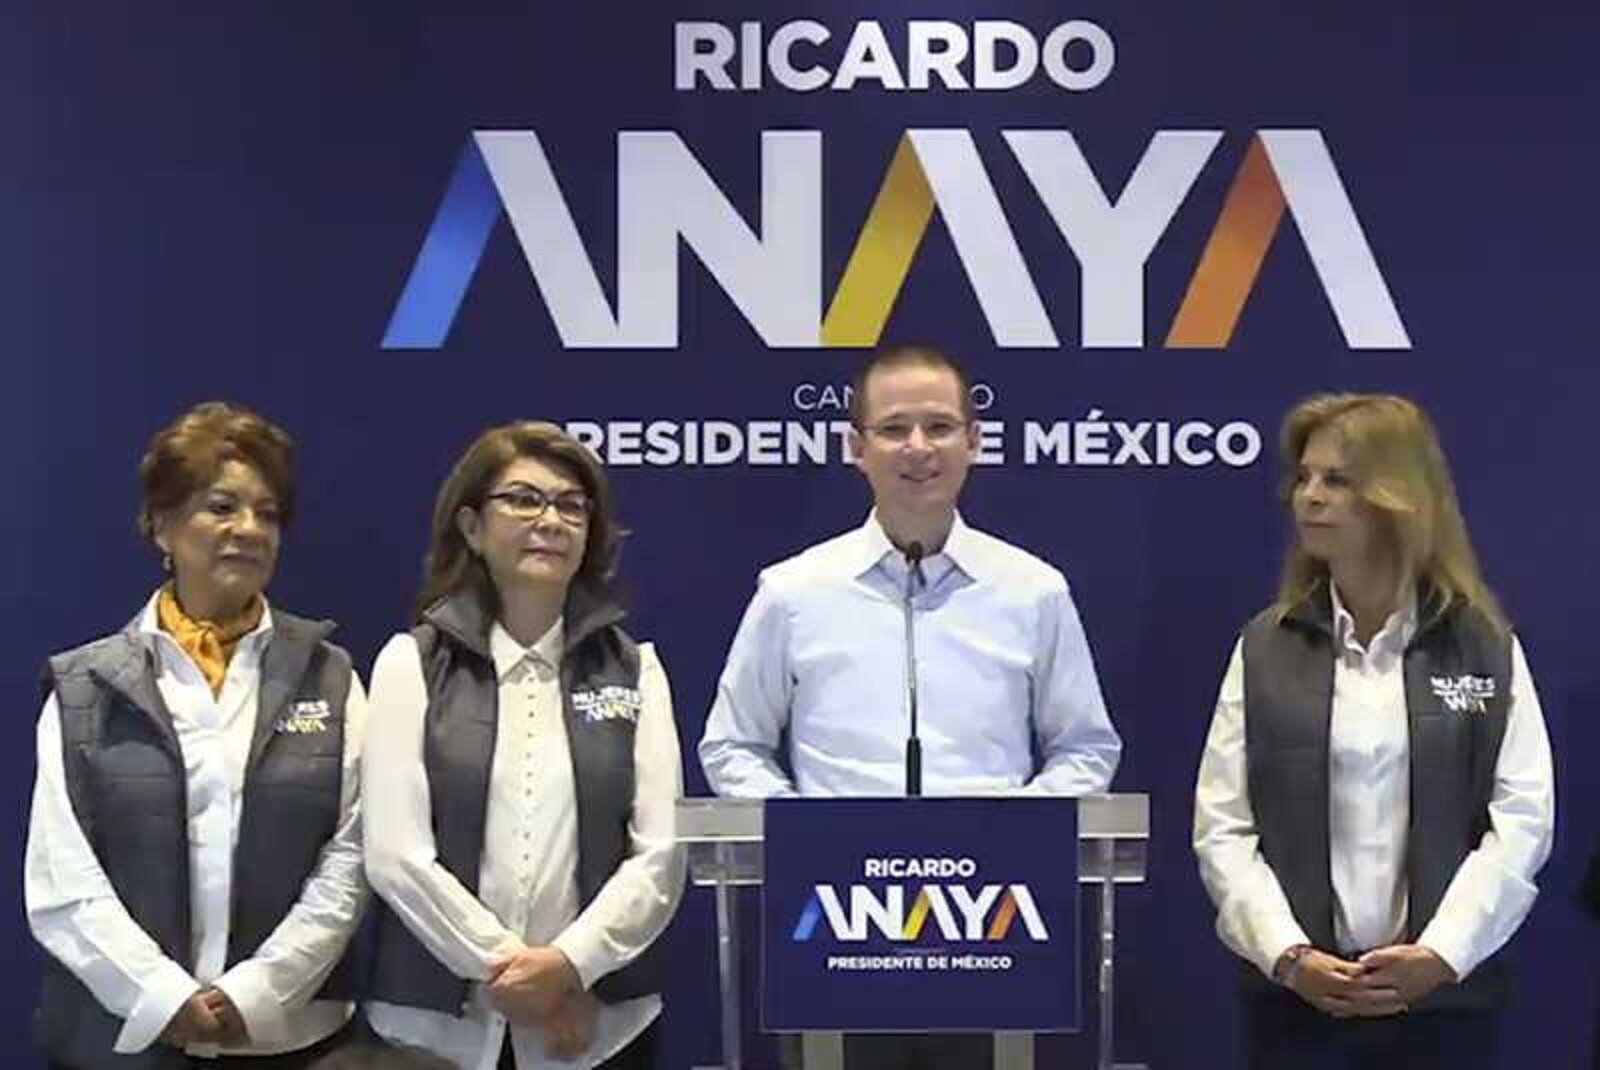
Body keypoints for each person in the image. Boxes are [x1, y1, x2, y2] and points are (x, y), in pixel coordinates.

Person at [698, 345, 1122, 1069]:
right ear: (855, 448)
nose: (918, 448)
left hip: (993, 930)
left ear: (975, 443)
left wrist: (1009, 836)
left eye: (940, 426)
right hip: (833, 932)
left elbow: (1087, 748)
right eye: (895, 429)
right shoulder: (794, 591)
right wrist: (808, 835)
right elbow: (732, 746)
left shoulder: (1033, 590)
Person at [1193, 393, 1555, 1070]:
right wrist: (1288, 955)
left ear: (1399, 495)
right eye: (1303, 478)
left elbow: (1522, 820)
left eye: (1337, 479)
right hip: (1297, 1010)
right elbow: (1223, 824)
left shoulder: (1482, 645)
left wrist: (1441, 955)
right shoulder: (1267, 646)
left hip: (1445, 1008)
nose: (1310, 497)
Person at [25, 402, 368, 1069]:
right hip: (125, 1039)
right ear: (161, 526)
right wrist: (163, 994)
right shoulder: (85, 686)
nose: (248, 529)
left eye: (267, 514)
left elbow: (350, 859)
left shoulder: (330, 675)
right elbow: (61, 876)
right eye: (221, 507)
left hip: (292, 1039)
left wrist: (254, 993)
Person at [363, 421, 685, 1070]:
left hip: (601, 1032)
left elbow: (662, 854)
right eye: (523, 499)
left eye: (571, 505)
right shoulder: (410, 664)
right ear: (472, 527)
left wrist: (570, 967)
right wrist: (521, 979)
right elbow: (396, 854)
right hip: (434, 1038)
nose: (551, 520)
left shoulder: (636, 669)